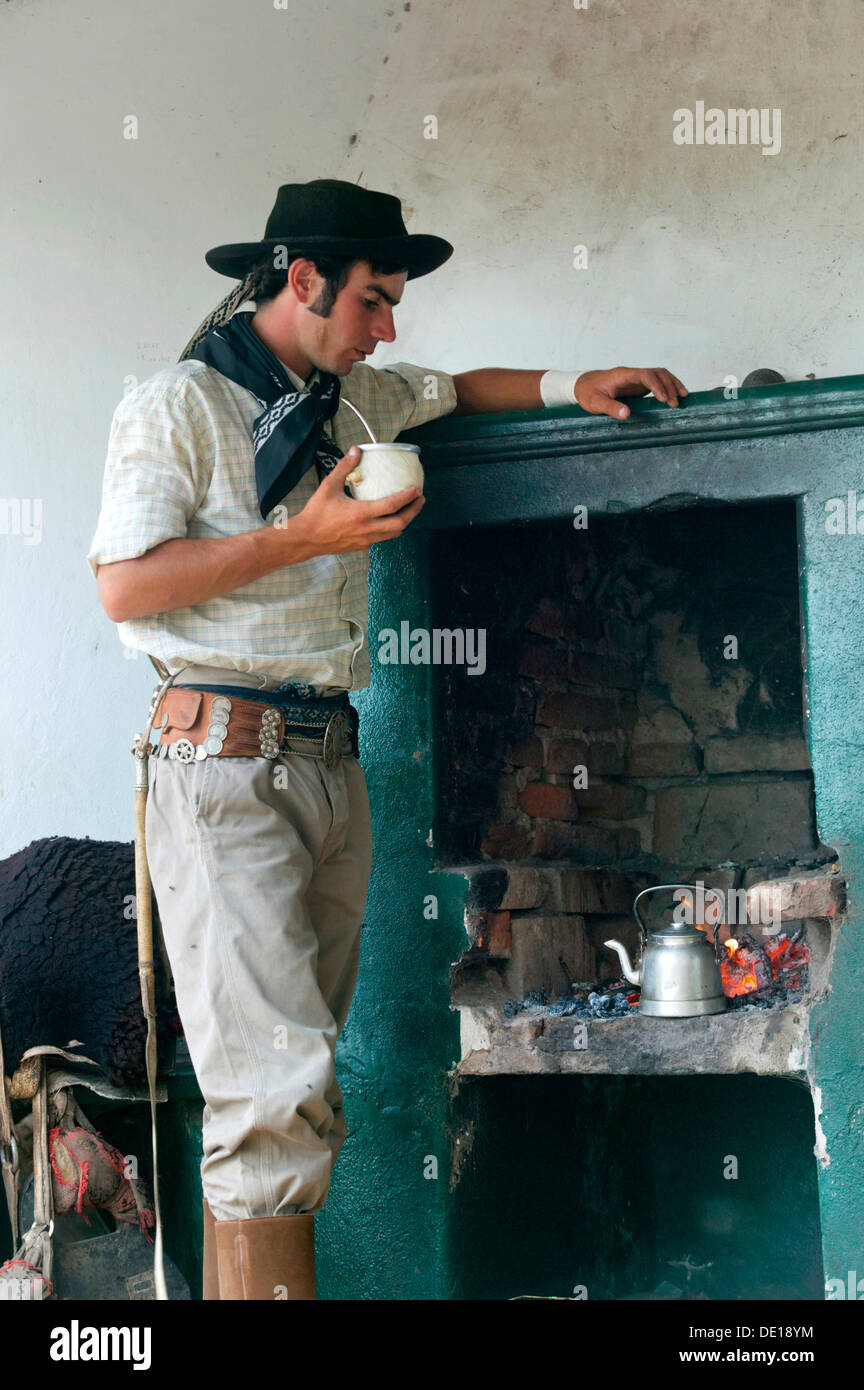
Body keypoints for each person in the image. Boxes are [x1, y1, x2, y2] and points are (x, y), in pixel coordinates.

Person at [87, 178, 687, 1301]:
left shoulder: (355, 399)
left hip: (328, 764)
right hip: (223, 760)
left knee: (298, 1087)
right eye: (374, 299)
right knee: (274, 1096)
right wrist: (300, 536)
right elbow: (123, 586)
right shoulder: (178, 403)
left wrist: (573, 381)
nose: (389, 326)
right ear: (300, 279)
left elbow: (455, 390)